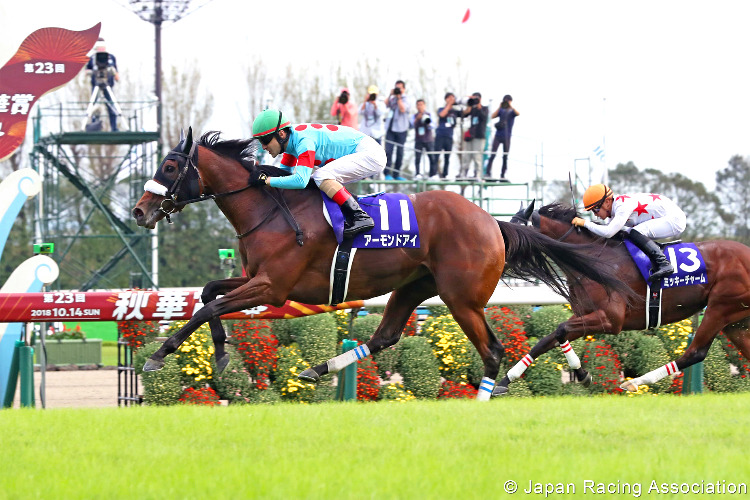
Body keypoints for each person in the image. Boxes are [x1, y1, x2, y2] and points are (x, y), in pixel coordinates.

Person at [251, 109, 386, 238]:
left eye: (265, 140)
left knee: (320, 176)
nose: (263, 147)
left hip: (371, 154)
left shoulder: (303, 141)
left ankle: (360, 216)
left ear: (281, 134)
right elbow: (283, 177)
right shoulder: (290, 142)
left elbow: (300, 181)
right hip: (364, 151)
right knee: (316, 179)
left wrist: (268, 180)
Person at [573, 184, 686, 282]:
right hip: (665, 216)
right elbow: (608, 233)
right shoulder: (615, 209)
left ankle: (664, 264)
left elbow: (608, 233)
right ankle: (654, 252)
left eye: (596, 209)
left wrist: (585, 223)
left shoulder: (622, 207)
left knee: (635, 232)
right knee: (626, 234)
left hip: (674, 219)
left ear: (607, 202)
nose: (596, 214)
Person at [85, 38, 120, 131]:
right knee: (94, 105)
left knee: (111, 105)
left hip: (108, 85)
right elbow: (87, 71)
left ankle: (114, 127)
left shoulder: (111, 57)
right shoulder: (92, 58)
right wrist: (91, 72)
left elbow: (117, 75)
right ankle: (93, 126)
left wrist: (113, 72)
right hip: (96, 84)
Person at [383, 80, 413, 180]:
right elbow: (384, 106)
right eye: (397, 88)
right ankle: (386, 173)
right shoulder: (392, 98)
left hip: (401, 129)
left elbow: (403, 109)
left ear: (404, 89)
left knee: (400, 152)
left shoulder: (406, 99)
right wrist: (390, 95)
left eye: (400, 88)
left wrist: (399, 98)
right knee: (388, 151)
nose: (398, 90)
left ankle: (397, 174)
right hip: (391, 128)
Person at [486, 94, 519, 181]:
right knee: (493, 154)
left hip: (507, 137)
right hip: (498, 135)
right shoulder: (501, 110)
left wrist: (510, 106)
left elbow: (518, 113)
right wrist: (500, 107)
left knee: (505, 156)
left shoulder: (512, 112)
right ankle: (487, 173)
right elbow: (492, 116)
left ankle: (503, 174)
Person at [458, 92, 488, 180]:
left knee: (477, 156)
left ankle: (477, 174)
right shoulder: (472, 109)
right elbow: (464, 115)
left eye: (477, 99)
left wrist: (479, 106)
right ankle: (464, 173)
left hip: (479, 136)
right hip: (471, 135)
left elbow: (484, 117)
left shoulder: (484, 108)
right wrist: (469, 103)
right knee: (467, 156)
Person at [435, 92, 460, 179]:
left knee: (447, 156)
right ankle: (434, 173)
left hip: (449, 136)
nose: (451, 100)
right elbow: (442, 114)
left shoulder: (455, 111)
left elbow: (466, 113)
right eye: (449, 98)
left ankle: (445, 174)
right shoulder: (441, 109)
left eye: (452, 98)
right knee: (436, 155)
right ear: (446, 99)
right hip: (440, 135)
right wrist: (449, 104)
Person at [411, 99, 438, 179]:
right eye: (418, 105)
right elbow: (411, 125)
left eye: (421, 104)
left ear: (424, 105)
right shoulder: (414, 116)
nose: (420, 106)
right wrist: (417, 119)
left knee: (432, 157)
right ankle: (418, 173)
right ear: (416, 106)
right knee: (418, 157)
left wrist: (428, 123)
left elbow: (434, 125)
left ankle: (433, 174)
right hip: (418, 140)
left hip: (429, 139)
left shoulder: (429, 114)